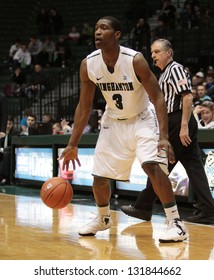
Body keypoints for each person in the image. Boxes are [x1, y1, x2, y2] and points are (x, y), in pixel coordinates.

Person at [59, 16, 188, 243]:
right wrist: (72, 143)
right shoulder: (88, 64)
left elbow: (158, 97)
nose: (97, 32)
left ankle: (176, 223)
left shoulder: (134, 59)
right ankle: (103, 218)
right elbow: (84, 105)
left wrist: (164, 137)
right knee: (99, 177)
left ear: (117, 35)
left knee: (152, 166)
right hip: (113, 121)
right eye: (96, 28)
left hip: (142, 118)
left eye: (104, 28)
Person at [121, 38, 214, 224]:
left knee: (159, 165)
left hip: (178, 120)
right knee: (194, 166)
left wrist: (184, 126)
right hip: (176, 121)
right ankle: (208, 209)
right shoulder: (164, 74)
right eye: (152, 52)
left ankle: (143, 206)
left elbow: (187, 98)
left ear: (168, 53)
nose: (153, 56)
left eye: (156, 52)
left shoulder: (175, 69)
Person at [0, 116, 19, 185]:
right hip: (3, 152)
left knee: (6, 154)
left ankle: (6, 178)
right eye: (6, 124)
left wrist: (3, 149)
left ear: (12, 124)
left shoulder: (15, 132)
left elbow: (14, 146)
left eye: (9, 124)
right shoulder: (2, 132)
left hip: (12, 153)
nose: (7, 126)